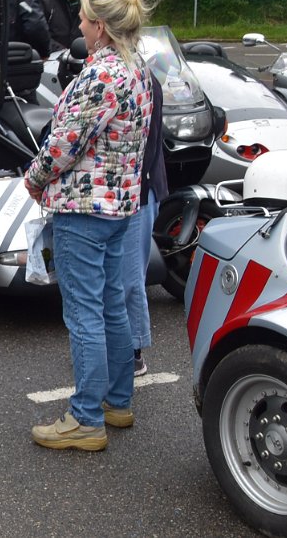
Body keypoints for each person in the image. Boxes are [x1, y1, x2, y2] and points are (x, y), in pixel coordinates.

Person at [23, 0, 155, 451]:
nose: (77, 23)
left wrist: (35, 177)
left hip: (84, 208)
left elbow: (65, 144)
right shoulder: (137, 65)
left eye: (82, 18)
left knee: (84, 315)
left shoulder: (102, 73)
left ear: (100, 25)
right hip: (122, 204)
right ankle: (117, 403)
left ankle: (85, 420)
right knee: (111, 307)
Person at [121, 71, 168, 378]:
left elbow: (145, 145)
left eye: (85, 20)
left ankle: (133, 351)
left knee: (128, 276)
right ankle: (120, 346)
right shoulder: (132, 75)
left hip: (136, 191)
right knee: (120, 275)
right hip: (127, 192)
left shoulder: (139, 79)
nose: (80, 26)